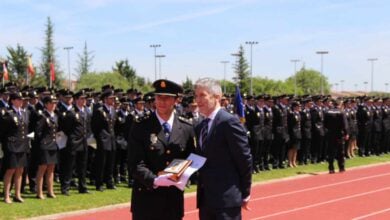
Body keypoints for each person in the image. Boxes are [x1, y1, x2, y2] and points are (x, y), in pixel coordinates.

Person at [128, 79, 195, 220]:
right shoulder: (141, 126)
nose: (162, 101)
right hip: (146, 200)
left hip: (173, 201)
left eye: (167, 98)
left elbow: (191, 160)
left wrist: (186, 176)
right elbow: (135, 164)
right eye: (159, 97)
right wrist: (155, 180)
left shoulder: (186, 128)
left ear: (176, 100)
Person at [194, 78, 252, 220]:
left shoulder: (229, 122)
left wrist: (245, 192)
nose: (198, 100)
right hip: (206, 200)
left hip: (226, 200)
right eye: (196, 96)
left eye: (202, 95)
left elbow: (244, 159)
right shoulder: (201, 126)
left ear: (217, 97)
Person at [1, 92, 30, 203]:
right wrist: (5, 144)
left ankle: (17, 194)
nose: (21, 101)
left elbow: (26, 130)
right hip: (12, 146)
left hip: (22, 145)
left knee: (20, 170)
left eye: (21, 99)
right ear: (12, 100)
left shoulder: (24, 113)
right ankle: (6, 195)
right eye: (18, 99)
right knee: (10, 170)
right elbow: (3, 131)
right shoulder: (8, 114)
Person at [34, 95, 59, 199]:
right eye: (51, 103)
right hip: (45, 145)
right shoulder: (42, 116)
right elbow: (38, 132)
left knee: (51, 168)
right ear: (46, 104)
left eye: (55, 103)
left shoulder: (55, 115)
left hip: (53, 145)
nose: (54, 105)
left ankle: (50, 191)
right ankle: (39, 192)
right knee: (42, 169)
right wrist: (42, 142)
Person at [324, 99, 349, 173]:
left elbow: (325, 124)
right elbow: (344, 124)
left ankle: (331, 168)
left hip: (330, 133)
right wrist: (346, 133)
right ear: (340, 105)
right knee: (340, 151)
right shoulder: (341, 112)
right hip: (339, 134)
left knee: (331, 151)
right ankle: (341, 167)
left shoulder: (327, 112)